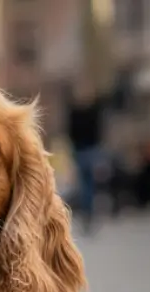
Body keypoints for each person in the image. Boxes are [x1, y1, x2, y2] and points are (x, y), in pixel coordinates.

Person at [66, 80, 106, 234]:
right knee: (88, 185)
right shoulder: (91, 110)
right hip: (88, 150)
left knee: (85, 185)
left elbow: (71, 132)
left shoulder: (77, 111)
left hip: (83, 150)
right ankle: (88, 215)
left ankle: (87, 215)